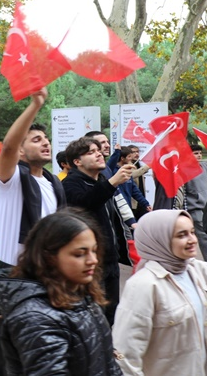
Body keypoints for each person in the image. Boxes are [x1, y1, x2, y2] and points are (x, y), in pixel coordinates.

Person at [0, 89, 66, 375]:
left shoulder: (54, 183)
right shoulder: (10, 179)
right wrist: (35, 104)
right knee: (10, 342)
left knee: (44, 339)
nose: (45, 143)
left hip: (50, 272)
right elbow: (7, 148)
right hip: (15, 275)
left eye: (46, 139)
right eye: (36, 139)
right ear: (21, 149)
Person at [113, 210, 207, 375]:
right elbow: (126, 356)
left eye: (192, 232)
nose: (192, 239)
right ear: (159, 240)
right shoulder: (143, 285)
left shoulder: (190, 268)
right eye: (181, 235)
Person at [0, 209, 122, 376]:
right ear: (49, 257)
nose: (93, 260)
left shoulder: (81, 296)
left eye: (94, 250)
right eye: (80, 253)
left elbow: (108, 365)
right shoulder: (35, 318)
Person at [62, 136, 134, 325]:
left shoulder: (102, 180)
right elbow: (86, 202)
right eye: (91, 152)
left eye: (98, 150)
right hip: (91, 262)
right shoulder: (71, 184)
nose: (99, 154)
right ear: (77, 162)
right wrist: (112, 183)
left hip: (110, 259)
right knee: (94, 315)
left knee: (112, 314)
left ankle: (110, 351)